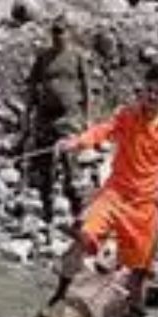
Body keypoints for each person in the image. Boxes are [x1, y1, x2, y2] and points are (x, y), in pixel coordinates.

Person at [50, 61, 158, 317]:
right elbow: (102, 131)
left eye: (157, 93)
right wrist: (76, 143)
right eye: (148, 91)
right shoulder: (126, 115)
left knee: (138, 271)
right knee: (84, 235)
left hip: (146, 204)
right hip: (115, 194)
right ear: (142, 91)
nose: (151, 97)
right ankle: (59, 295)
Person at [24, 21, 96, 228]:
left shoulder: (77, 57)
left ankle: (79, 214)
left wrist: (87, 119)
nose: (58, 36)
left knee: (70, 162)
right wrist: (27, 116)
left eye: (62, 32)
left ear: (69, 34)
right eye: (55, 32)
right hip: (45, 117)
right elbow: (32, 87)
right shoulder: (43, 57)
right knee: (44, 165)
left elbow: (87, 88)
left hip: (69, 117)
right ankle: (46, 214)